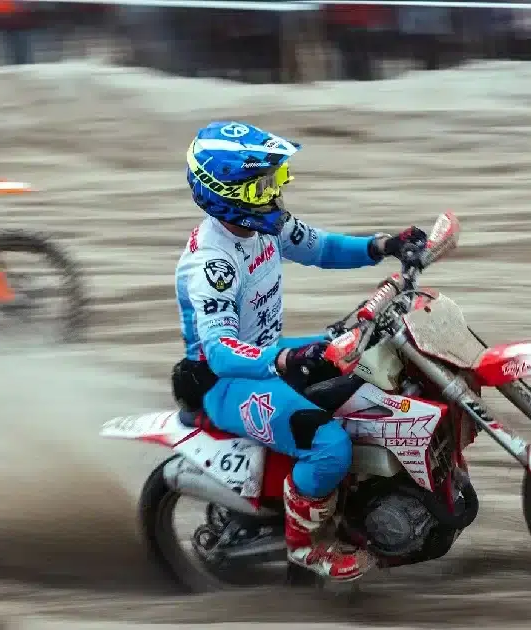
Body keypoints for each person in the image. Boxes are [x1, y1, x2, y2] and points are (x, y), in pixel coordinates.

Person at [171, 121, 426, 582]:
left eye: (276, 180)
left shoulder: (266, 225)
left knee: (365, 361)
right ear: (228, 193)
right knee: (328, 444)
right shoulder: (214, 264)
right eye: (263, 184)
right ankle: (307, 546)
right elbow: (221, 351)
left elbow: (322, 247)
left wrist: (385, 245)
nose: (276, 191)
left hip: (264, 355)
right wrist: (287, 360)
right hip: (228, 381)